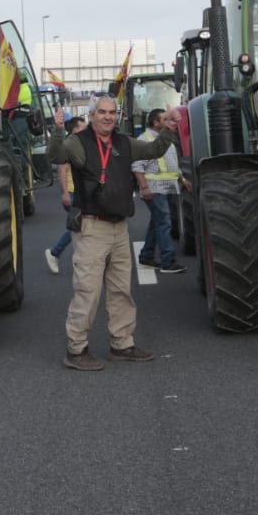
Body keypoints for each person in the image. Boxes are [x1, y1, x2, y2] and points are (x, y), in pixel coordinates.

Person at [47, 95, 177, 372]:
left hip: (119, 227)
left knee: (121, 291)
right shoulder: (78, 142)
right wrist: (57, 131)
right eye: (102, 112)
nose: (107, 117)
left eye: (112, 112)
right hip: (92, 227)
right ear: (92, 115)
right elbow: (56, 156)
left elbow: (154, 150)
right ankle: (77, 350)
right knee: (88, 291)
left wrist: (170, 128)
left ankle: (122, 344)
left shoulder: (124, 142)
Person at [133, 109, 186, 274]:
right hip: (154, 189)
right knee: (164, 222)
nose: (169, 120)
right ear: (156, 123)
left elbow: (172, 163)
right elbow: (137, 167)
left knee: (157, 222)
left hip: (168, 187)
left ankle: (146, 256)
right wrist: (144, 188)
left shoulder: (166, 138)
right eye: (165, 118)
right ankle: (168, 262)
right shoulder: (144, 140)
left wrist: (183, 179)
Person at [43, 115, 90, 274]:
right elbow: (62, 171)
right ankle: (55, 252)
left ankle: (82, 260)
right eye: (82, 128)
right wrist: (65, 194)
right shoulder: (68, 146)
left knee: (82, 226)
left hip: (80, 191)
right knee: (78, 226)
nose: (86, 131)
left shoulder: (80, 144)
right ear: (74, 130)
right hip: (72, 192)